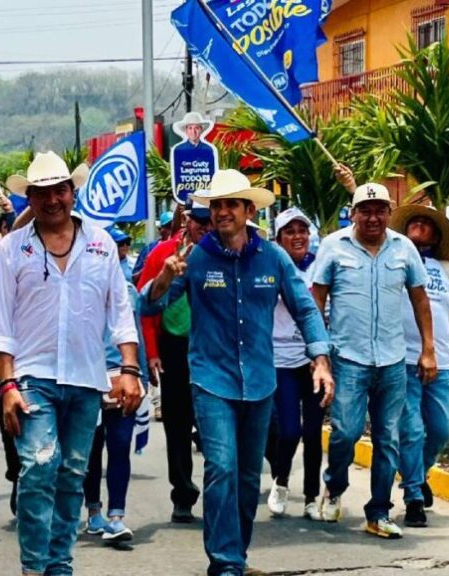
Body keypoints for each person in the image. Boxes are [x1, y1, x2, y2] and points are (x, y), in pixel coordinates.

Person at [142, 170, 332, 576]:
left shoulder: (273, 257)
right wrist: (164, 278)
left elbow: (304, 309)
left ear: (249, 210)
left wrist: (320, 358)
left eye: (232, 204)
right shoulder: (194, 258)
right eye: (217, 205)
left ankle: (237, 555)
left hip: (261, 382)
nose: (223, 211)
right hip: (211, 380)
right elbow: (149, 306)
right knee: (222, 467)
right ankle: (225, 563)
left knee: (248, 478)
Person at [0, 151, 142, 576]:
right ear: (30, 199)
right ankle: (34, 567)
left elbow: (120, 312)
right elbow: (0, 324)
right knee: (39, 467)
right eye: (42, 193)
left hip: (86, 378)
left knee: (73, 473)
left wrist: (129, 370)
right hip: (31, 377)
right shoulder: (11, 249)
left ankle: (60, 565)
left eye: (60, 190)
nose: (53, 200)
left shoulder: (101, 244)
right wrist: (6, 386)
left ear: (73, 192)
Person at [313, 181, 435, 539]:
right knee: (346, 433)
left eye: (380, 210)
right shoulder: (334, 247)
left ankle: (378, 511)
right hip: (348, 358)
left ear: (388, 213)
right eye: (365, 210)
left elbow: (420, 300)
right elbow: (316, 298)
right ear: (353, 214)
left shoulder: (404, 248)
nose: (373, 217)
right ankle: (334, 486)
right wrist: (319, 354)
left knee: (388, 438)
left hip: (393, 360)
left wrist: (428, 349)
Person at [390, 204, 449, 528]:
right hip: (403, 361)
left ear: (436, 234)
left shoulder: (446, 270)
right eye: (413, 221)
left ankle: (419, 472)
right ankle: (413, 495)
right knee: (411, 430)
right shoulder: (396, 259)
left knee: (443, 428)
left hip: (440, 363)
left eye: (425, 223)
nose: (418, 225)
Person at [135, 197, 212, 523]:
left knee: (214, 423)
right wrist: (151, 353)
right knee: (178, 424)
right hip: (174, 349)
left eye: (209, 222)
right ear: (187, 221)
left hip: (213, 351)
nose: (204, 228)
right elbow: (145, 305)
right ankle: (182, 495)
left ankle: (223, 493)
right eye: (199, 221)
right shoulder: (162, 254)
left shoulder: (223, 255)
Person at [83, 235, 150, 543]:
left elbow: (136, 338)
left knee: (120, 445)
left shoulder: (129, 291)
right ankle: (94, 512)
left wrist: (141, 378)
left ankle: (117, 516)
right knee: (90, 452)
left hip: (122, 379)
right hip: (86, 380)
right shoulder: (78, 288)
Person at [264, 208, 327, 519]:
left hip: (314, 362)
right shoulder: (270, 266)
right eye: (290, 232)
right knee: (289, 431)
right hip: (281, 362)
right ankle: (282, 480)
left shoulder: (320, 267)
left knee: (314, 433)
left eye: (302, 230)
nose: (298, 236)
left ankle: (312, 497)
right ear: (279, 239)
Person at [131, 211, 173, 284]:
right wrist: (147, 267)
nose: (172, 230)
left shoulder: (183, 247)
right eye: (168, 226)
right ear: (160, 229)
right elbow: (134, 280)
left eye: (175, 227)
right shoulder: (149, 249)